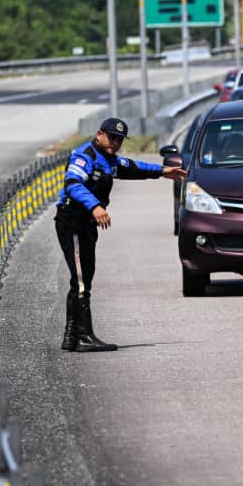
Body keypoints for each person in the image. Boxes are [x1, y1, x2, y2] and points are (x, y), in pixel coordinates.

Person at [55, 117, 186, 352]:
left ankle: (71, 336)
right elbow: (72, 184)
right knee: (82, 281)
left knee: (84, 279)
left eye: (120, 140)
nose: (115, 143)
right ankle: (84, 338)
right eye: (111, 137)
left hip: (86, 225)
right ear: (99, 134)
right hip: (71, 222)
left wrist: (163, 171)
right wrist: (95, 206)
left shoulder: (110, 160)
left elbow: (133, 168)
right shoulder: (85, 155)